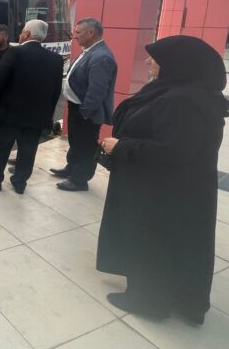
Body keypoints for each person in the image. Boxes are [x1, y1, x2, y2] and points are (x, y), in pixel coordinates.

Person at [96, 36, 226, 324]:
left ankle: (148, 301)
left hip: (159, 192)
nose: (148, 62)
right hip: (171, 189)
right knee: (169, 243)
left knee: (151, 241)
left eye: (155, 58)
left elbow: (173, 150)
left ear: (177, 65)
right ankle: (172, 297)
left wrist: (121, 146)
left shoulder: (181, 101)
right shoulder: (182, 93)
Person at [0, 19, 63, 194]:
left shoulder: (15, 52)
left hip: (9, 113)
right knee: (28, 150)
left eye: (22, 31)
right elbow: (55, 91)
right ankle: (20, 182)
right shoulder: (56, 59)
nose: (20, 34)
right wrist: (48, 114)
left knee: (0, 147)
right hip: (37, 116)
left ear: (27, 34)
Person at [50, 18, 117, 191]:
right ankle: (71, 168)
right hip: (77, 107)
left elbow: (97, 90)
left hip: (86, 111)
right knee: (75, 142)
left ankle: (80, 180)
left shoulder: (101, 57)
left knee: (86, 145)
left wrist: (86, 112)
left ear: (91, 33)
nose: (75, 36)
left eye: (78, 32)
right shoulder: (89, 51)